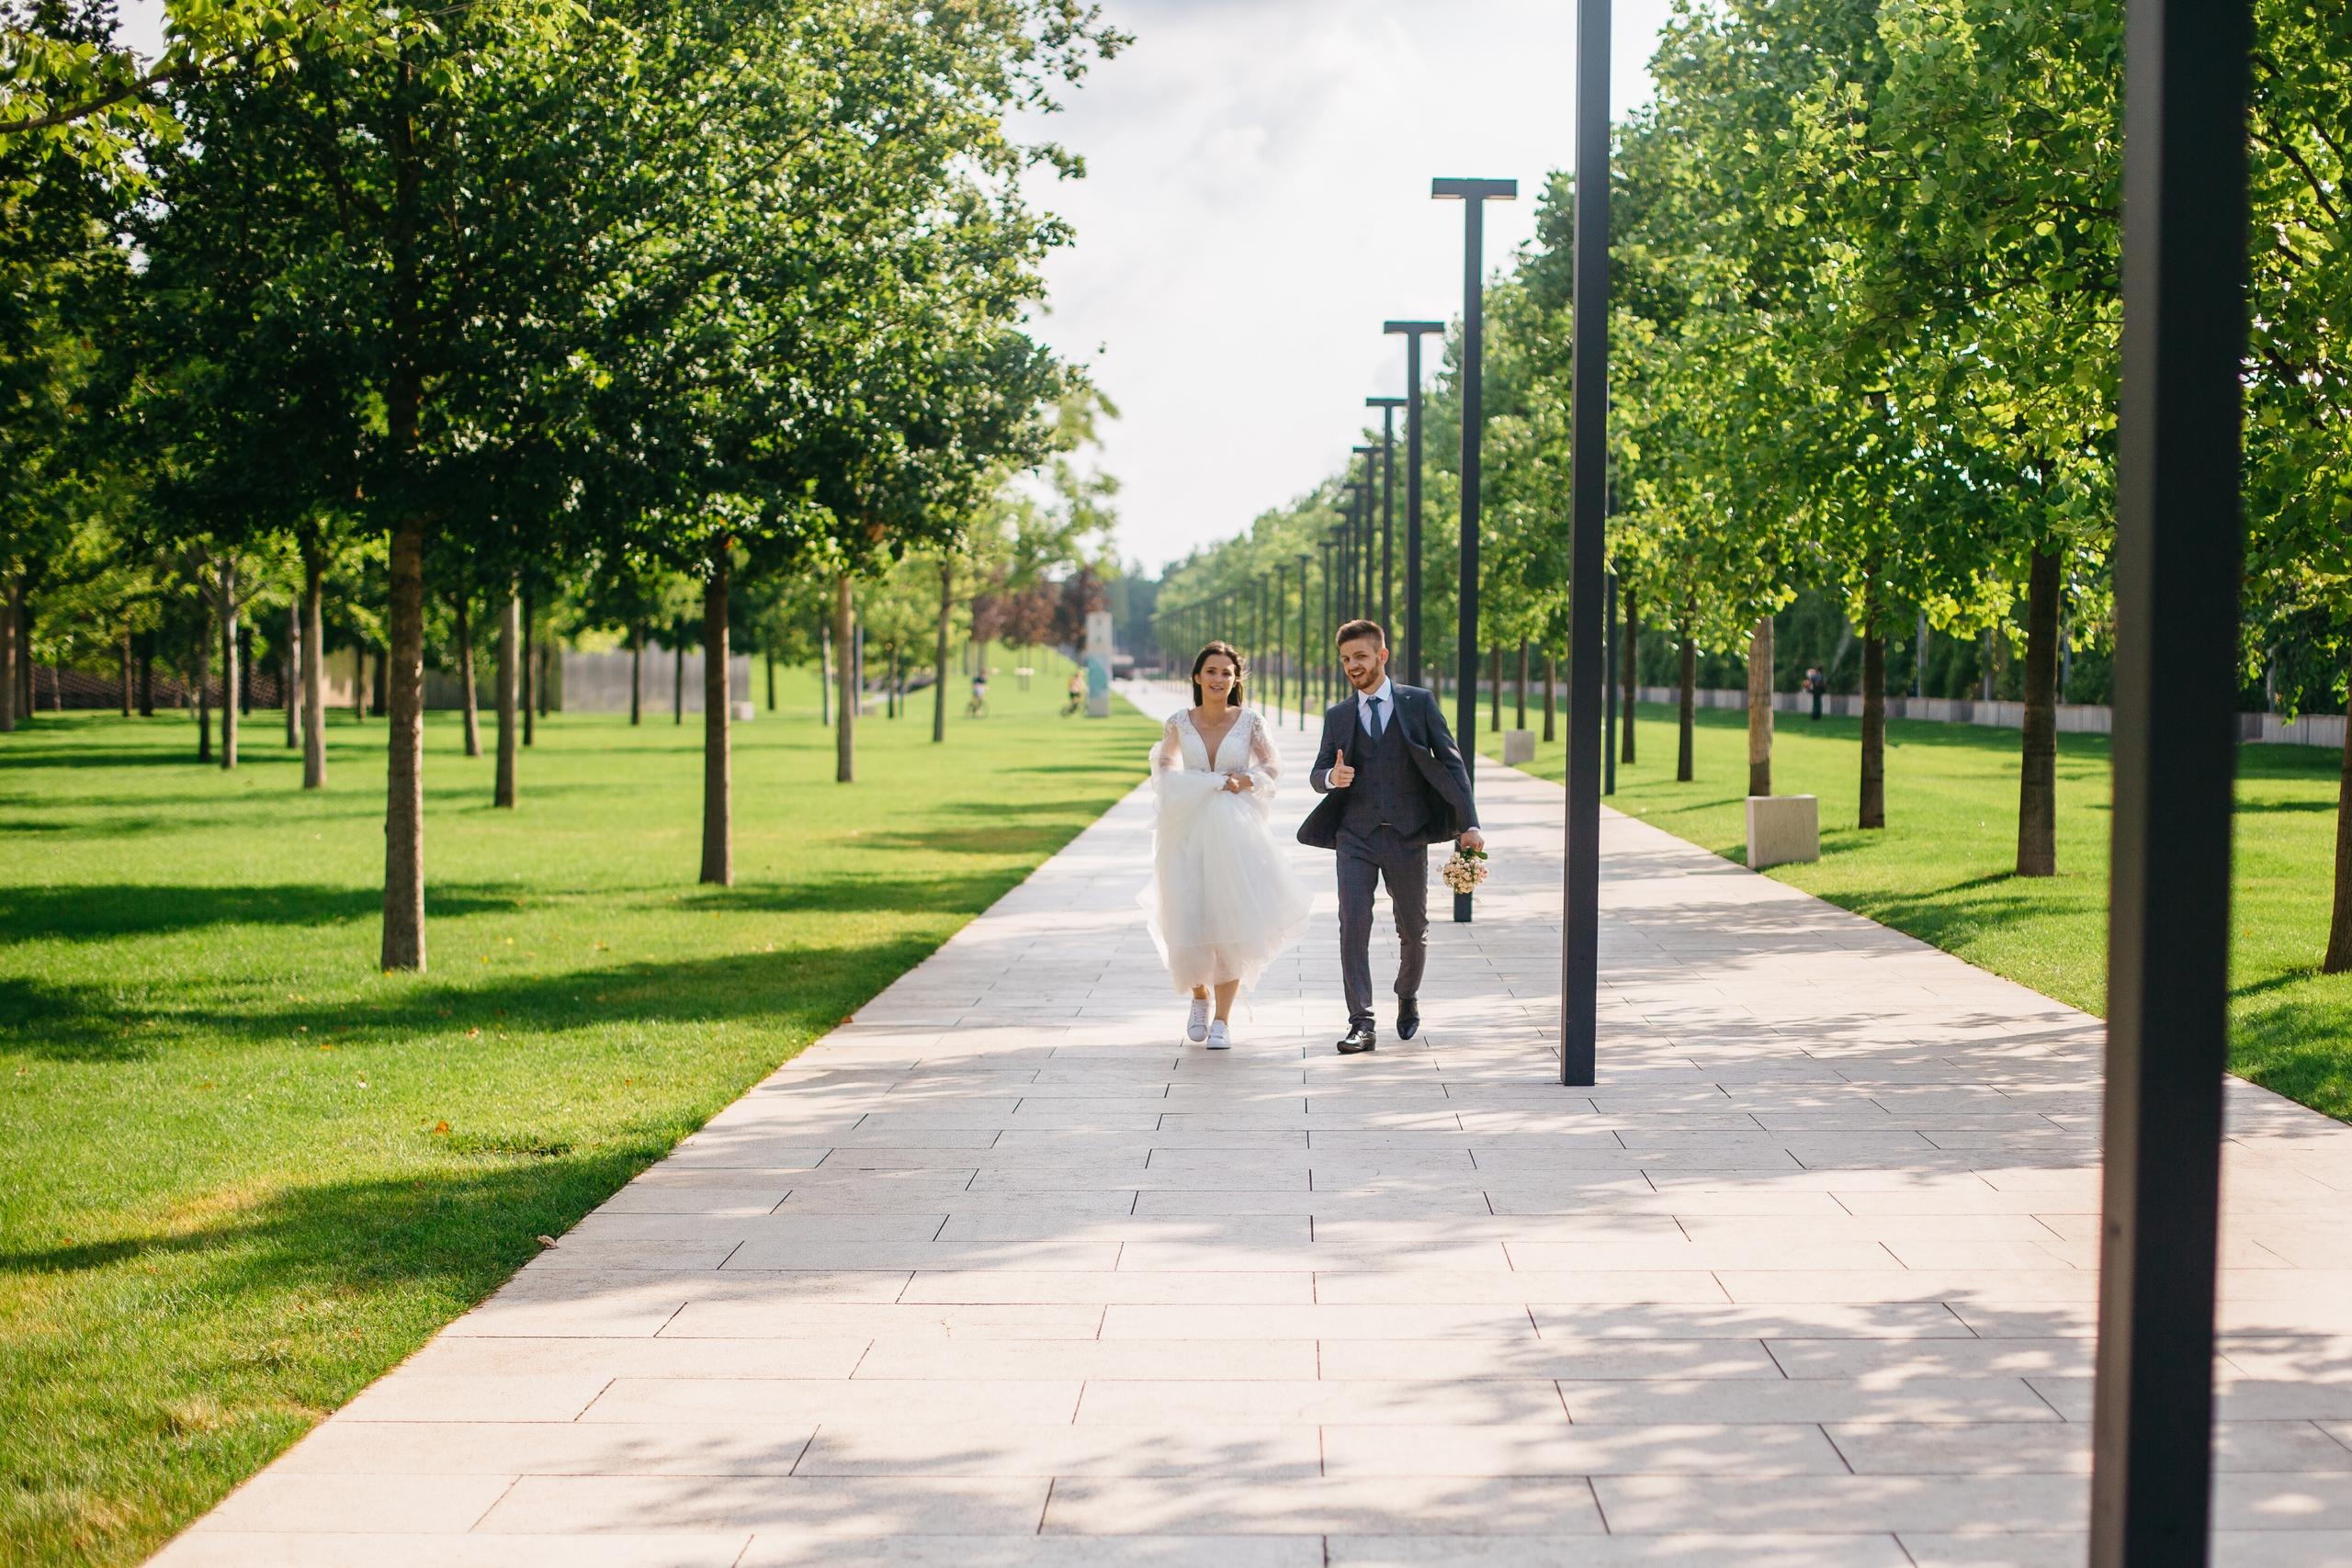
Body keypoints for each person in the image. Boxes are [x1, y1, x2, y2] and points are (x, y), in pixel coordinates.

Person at [1299, 619, 1483, 1055]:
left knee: (1413, 930)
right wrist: (1331, 776)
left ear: (1382, 656)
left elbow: (1452, 763)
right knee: (1352, 927)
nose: (1352, 666)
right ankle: (1361, 1022)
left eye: (1360, 657)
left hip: (1407, 836)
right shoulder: (1339, 716)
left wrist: (1469, 823)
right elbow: (1316, 774)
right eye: (1345, 659)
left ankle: (1406, 993)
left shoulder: (1418, 703)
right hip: (1355, 837)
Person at [1142, 641, 1312, 1050]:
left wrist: (1246, 779)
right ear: (1197, 677)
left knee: (1231, 921)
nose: (1219, 679)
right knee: (1189, 917)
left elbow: (1272, 765)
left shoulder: (1251, 721)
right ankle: (1199, 996)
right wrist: (1178, 781)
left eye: (1226, 673)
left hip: (1237, 832)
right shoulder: (1178, 722)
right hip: (1187, 831)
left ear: (1236, 680)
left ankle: (1223, 1019)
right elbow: (1163, 761)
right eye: (1212, 671)